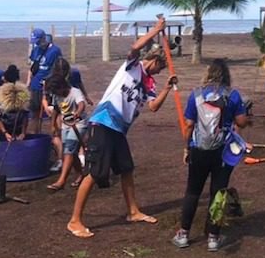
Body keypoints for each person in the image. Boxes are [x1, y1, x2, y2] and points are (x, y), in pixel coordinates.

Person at [67, 16, 177, 238]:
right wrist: (156, 30)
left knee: (126, 169)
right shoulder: (132, 66)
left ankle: (133, 211)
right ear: (153, 60)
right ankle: (75, 220)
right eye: (160, 67)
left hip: (119, 130)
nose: (159, 71)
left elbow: (154, 106)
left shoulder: (150, 83)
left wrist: (166, 88)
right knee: (95, 172)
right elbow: (135, 47)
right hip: (103, 122)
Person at [172, 58, 249, 252]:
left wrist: (186, 148)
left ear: (208, 73)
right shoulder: (233, 95)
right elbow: (241, 122)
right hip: (222, 152)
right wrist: (245, 114)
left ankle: (183, 234)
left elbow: (189, 125)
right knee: (218, 193)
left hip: (199, 149)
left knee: (192, 191)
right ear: (226, 75)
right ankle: (213, 237)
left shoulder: (196, 94)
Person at [44, 58, 88, 191]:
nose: (56, 94)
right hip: (65, 125)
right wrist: (53, 125)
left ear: (62, 86)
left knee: (69, 150)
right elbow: (56, 109)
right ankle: (81, 174)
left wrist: (77, 114)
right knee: (70, 152)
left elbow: (81, 104)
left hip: (79, 124)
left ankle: (61, 180)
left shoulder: (75, 92)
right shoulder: (58, 95)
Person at [0, 81, 30, 179]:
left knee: (17, 143)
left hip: (16, 123)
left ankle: (17, 166)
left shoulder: (23, 102)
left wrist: (23, 132)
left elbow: (25, 118)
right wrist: (5, 133)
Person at [27, 28, 62, 134]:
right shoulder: (36, 50)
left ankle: (57, 135)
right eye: (34, 41)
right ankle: (36, 134)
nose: (36, 43)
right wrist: (28, 82)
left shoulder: (55, 50)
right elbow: (32, 68)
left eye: (38, 41)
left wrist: (50, 81)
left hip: (49, 87)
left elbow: (59, 69)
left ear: (43, 38)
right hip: (35, 86)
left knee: (53, 112)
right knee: (35, 113)